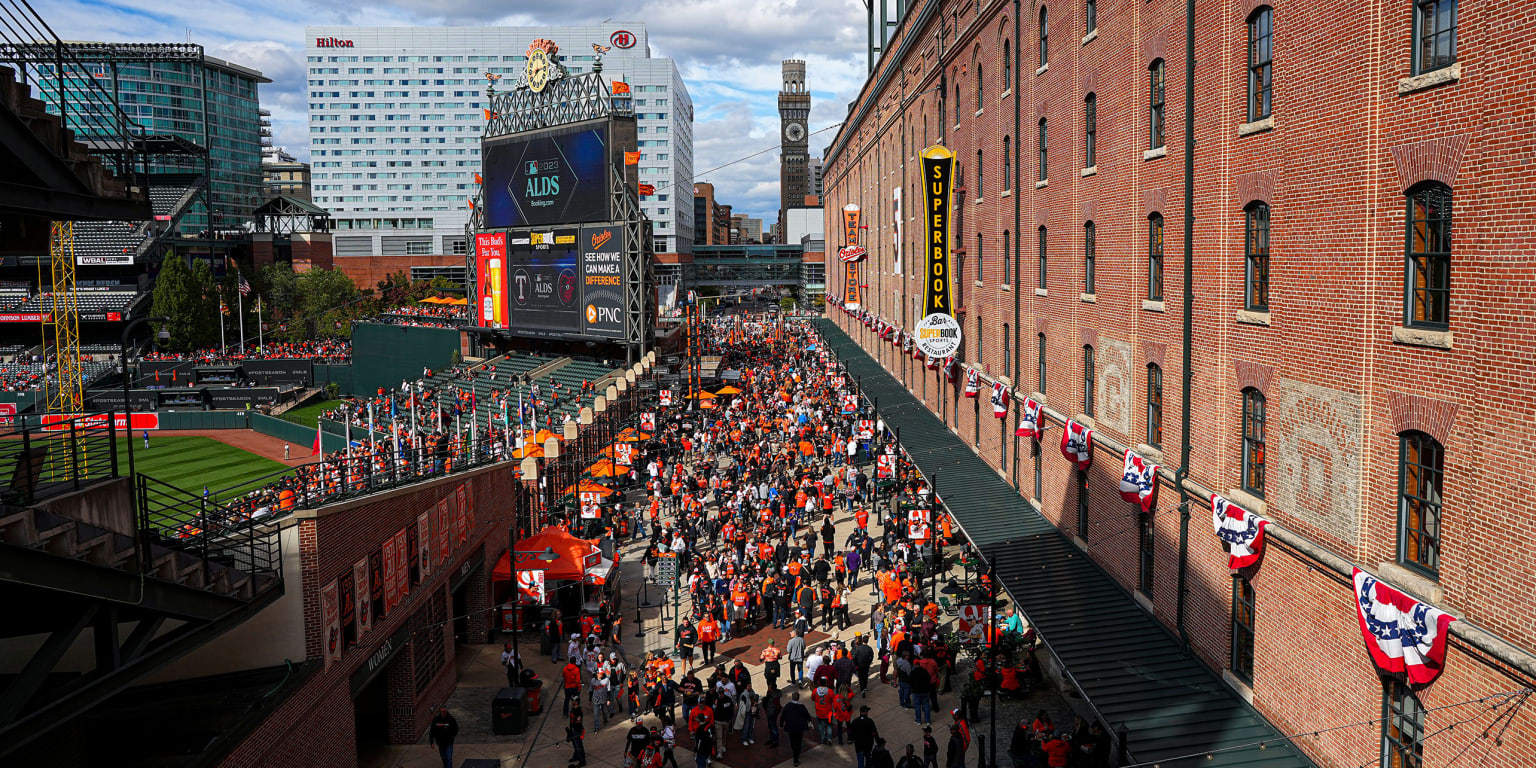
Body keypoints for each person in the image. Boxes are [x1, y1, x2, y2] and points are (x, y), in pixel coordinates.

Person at [778, 690, 813, 766]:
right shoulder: (801, 706)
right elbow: (807, 715)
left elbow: (783, 716)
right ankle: (796, 756)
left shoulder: (788, 706)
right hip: (799, 727)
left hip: (791, 727)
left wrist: (781, 725)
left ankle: (795, 753)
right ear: (798, 698)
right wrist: (810, 721)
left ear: (792, 697)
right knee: (799, 741)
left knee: (792, 741)